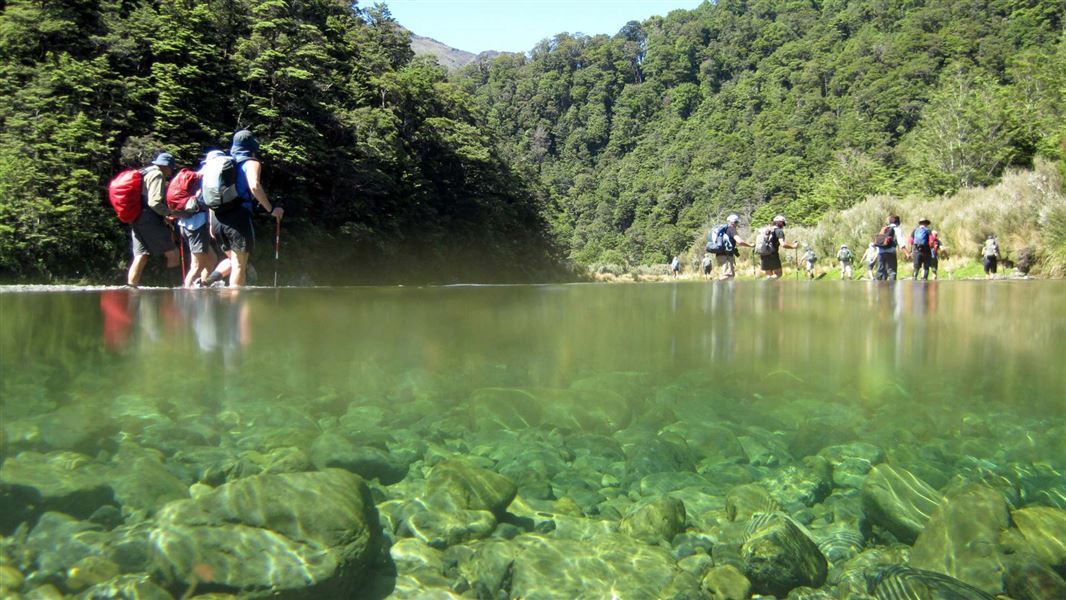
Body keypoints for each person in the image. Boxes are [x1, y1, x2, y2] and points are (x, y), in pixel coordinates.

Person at [210, 130, 283, 288]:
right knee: (238, 265)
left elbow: (213, 193)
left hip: (217, 218)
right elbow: (254, 186)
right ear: (252, 147)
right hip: (238, 217)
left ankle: (207, 281)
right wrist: (271, 210)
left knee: (233, 260)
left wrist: (211, 223)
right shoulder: (251, 163)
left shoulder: (222, 163)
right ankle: (236, 306)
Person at [127, 152, 180, 287]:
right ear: (166, 166)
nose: (171, 172)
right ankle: (174, 289)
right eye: (171, 168)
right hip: (149, 218)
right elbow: (154, 202)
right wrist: (168, 213)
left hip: (136, 217)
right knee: (173, 254)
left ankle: (131, 288)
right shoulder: (157, 174)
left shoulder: (143, 172)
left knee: (141, 255)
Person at [179, 150, 222, 288]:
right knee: (197, 265)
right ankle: (187, 293)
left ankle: (202, 287)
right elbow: (209, 203)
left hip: (185, 223)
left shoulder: (196, 176)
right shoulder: (209, 177)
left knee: (211, 259)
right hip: (197, 224)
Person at [756, 215, 800, 279]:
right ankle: (767, 283)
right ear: (779, 222)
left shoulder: (767, 231)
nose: (783, 225)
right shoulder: (779, 231)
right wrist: (793, 246)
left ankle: (769, 287)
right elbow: (783, 244)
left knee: (769, 275)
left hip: (763, 254)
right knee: (778, 274)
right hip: (773, 255)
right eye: (782, 223)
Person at [716, 214, 753, 280]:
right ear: (734, 222)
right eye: (737, 222)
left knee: (728, 275)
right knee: (728, 275)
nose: (737, 224)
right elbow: (740, 242)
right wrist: (750, 245)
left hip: (719, 254)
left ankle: (723, 289)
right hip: (727, 255)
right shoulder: (732, 229)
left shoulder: (724, 230)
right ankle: (716, 286)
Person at [875, 214, 908, 281]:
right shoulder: (897, 229)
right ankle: (892, 289)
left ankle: (877, 289)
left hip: (880, 253)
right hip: (890, 252)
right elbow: (901, 242)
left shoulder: (884, 229)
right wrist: (907, 253)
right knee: (892, 271)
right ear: (898, 222)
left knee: (880, 271)